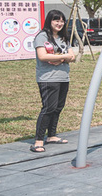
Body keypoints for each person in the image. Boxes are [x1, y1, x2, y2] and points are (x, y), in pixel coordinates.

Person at [31, 9, 75, 153]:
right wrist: (63, 57)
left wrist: (58, 57)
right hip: (48, 78)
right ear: (49, 21)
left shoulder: (63, 38)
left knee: (58, 107)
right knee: (48, 108)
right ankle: (38, 140)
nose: (59, 23)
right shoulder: (42, 37)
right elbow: (43, 56)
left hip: (63, 77)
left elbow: (72, 56)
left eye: (62, 21)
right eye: (56, 20)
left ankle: (51, 135)